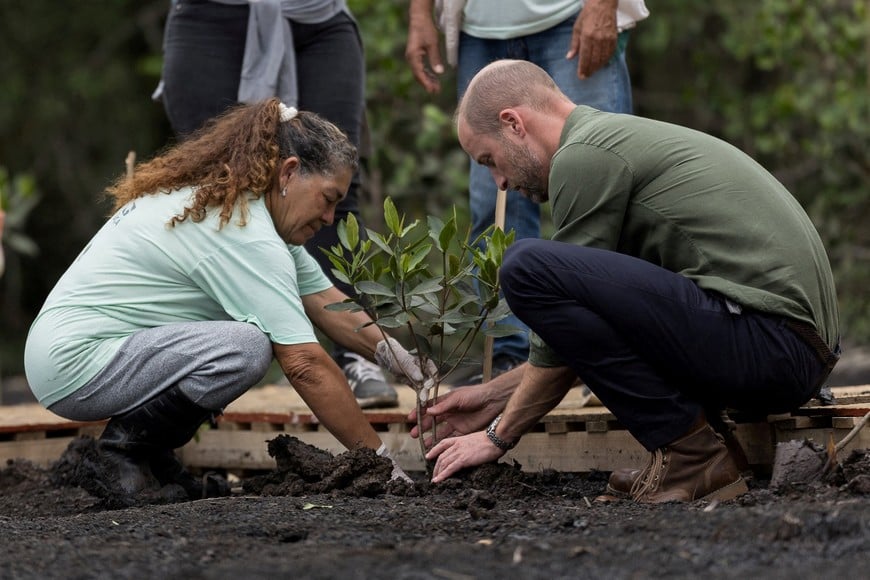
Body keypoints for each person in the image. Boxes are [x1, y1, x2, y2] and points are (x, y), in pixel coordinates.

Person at [412, 60, 840, 503]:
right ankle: (708, 453)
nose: (498, 180)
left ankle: (692, 456)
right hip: (785, 351)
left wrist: (498, 436)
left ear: (513, 123)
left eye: (489, 160)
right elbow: (588, 333)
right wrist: (492, 396)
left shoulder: (584, 156)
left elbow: (559, 341)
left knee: (525, 267)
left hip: (770, 344)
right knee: (555, 277)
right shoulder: (611, 140)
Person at [24, 100, 436, 505]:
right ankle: (122, 454)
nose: (331, 218)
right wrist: (381, 465)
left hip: (83, 351)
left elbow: (329, 304)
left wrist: (404, 362)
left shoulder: (247, 212)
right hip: (75, 360)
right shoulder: (244, 232)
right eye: (328, 198)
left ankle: (149, 457)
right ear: (289, 172)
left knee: (243, 343)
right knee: (247, 347)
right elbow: (305, 364)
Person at [156, 0, 398, 408]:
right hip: (211, 16)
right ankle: (199, 364)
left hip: (316, 16)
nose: (319, 218)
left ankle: (359, 359)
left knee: (336, 185)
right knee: (210, 185)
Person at [406, 0, 648, 377]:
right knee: (492, 205)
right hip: (479, 29)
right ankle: (509, 354)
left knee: (607, 184)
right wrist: (420, 14)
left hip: (569, 15)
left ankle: (619, 354)